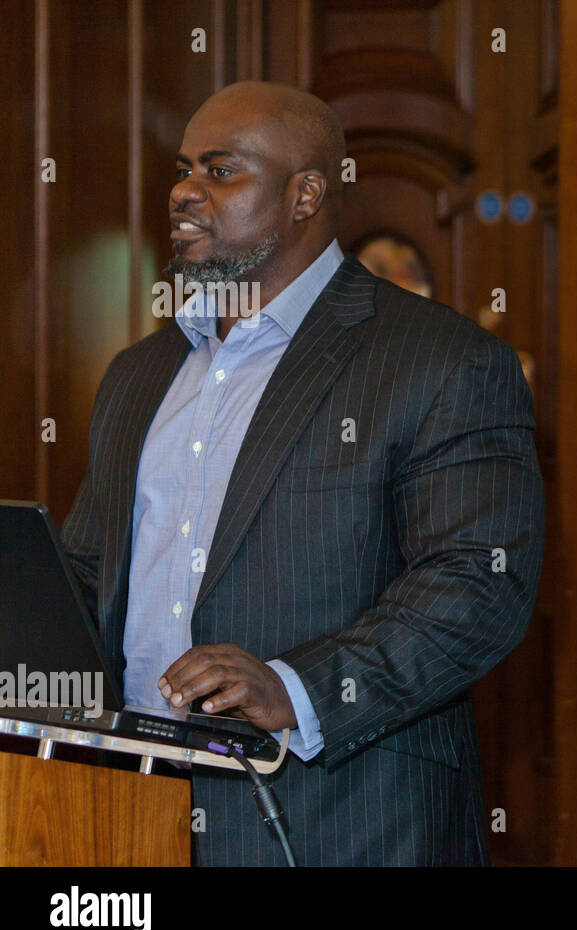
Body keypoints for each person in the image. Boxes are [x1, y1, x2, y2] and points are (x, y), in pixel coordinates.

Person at [59, 80, 545, 865]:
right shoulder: (139, 373)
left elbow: (480, 586)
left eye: (221, 171)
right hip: (132, 815)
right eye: (183, 169)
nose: (185, 191)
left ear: (306, 194)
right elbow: (89, 573)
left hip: (341, 820)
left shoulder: (441, 361)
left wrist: (299, 687)